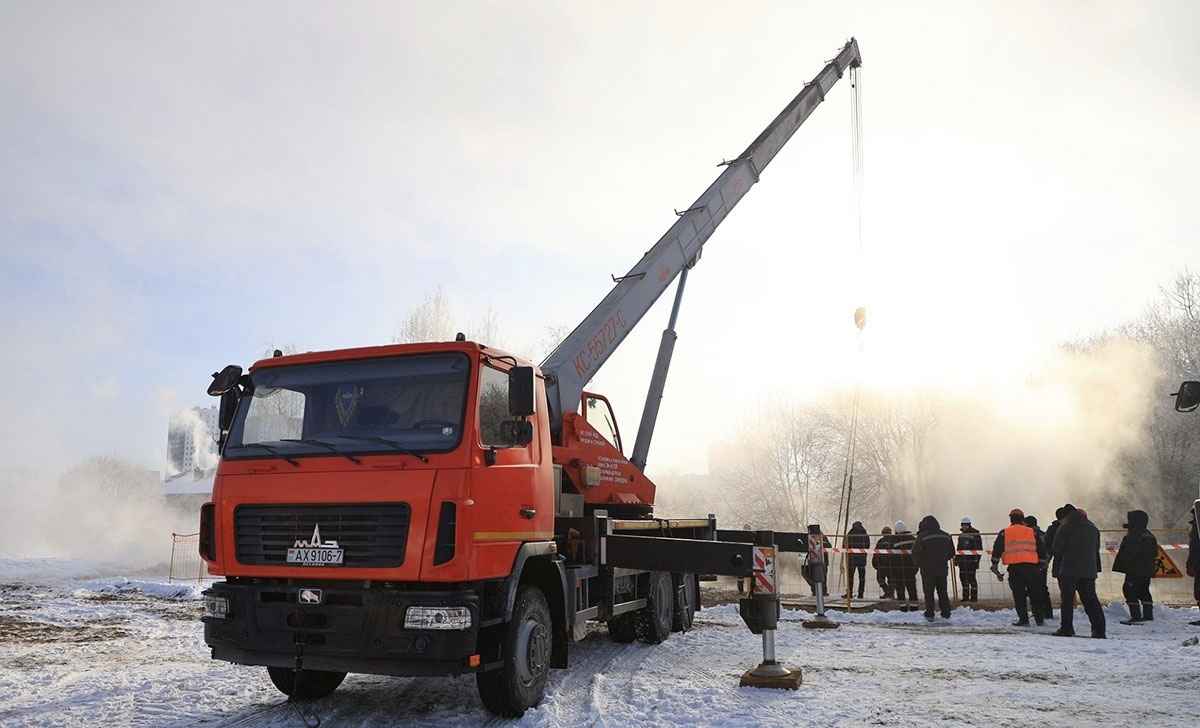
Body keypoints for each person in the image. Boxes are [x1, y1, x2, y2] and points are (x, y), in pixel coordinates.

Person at [1051, 505, 1106, 638]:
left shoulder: (1065, 527)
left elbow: (1057, 548)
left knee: (1067, 601)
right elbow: (1096, 549)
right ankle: (1099, 630)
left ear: (1065, 516)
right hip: (1088, 570)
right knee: (1091, 600)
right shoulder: (1093, 528)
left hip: (1069, 570)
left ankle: (1067, 628)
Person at [991, 508, 1047, 626]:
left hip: (1015, 569)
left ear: (1011, 519)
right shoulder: (1032, 532)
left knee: (1019, 595)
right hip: (1033, 568)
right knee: (1035, 594)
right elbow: (1041, 549)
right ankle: (1039, 619)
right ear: (1022, 519)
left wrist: (995, 565)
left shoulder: (1005, 532)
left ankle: (1024, 619)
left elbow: (997, 549)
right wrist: (1042, 564)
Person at [1113, 509, 1158, 624]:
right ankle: (1148, 615)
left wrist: (1123, 563)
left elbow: (1129, 553)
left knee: (1129, 590)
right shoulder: (1148, 535)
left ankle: (1136, 616)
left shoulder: (1134, 535)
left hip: (1134, 569)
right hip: (1146, 569)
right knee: (1144, 590)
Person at [912, 515, 955, 620]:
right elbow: (951, 553)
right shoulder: (946, 536)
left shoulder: (922, 536)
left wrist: (919, 564)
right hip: (942, 569)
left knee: (928, 592)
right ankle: (946, 612)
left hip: (927, 570)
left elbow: (915, 552)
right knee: (942, 591)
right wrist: (943, 559)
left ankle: (930, 613)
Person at [1024, 514, 1054, 620]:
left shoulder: (1032, 534)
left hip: (1034, 565)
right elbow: (1050, 550)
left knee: (1034, 589)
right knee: (1042, 588)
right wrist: (1046, 562)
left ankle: (1039, 613)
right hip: (1042, 564)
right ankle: (1047, 613)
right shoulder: (1043, 534)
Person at [891, 521, 919, 611]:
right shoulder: (912, 538)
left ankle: (902, 608)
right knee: (912, 588)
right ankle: (914, 607)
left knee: (900, 588)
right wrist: (916, 567)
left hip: (898, 569)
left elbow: (891, 555)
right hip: (911, 568)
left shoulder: (895, 540)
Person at [955, 517, 982, 603]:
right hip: (962, 561)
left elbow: (979, 548)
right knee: (963, 578)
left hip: (971, 561)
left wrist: (977, 560)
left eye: (965, 525)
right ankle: (965, 597)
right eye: (963, 525)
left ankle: (974, 598)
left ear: (969, 525)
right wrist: (957, 559)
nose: (964, 526)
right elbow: (959, 548)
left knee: (971, 578)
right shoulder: (961, 535)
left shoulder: (975, 534)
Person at [844, 521, 870, 599]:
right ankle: (861, 594)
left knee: (850, 577)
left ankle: (849, 593)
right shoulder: (865, 534)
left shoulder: (850, 534)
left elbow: (845, 545)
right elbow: (867, 546)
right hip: (862, 559)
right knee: (862, 578)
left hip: (852, 559)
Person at [873, 526, 894, 599]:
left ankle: (887, 592)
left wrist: (875, 563)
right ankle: (889, 593)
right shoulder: (894, 540)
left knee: (880, 579)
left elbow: (875, 553)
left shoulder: (880, 541)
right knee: (891, 580)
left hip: (882, 564)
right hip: (891, 564)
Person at [1187, 510, 1200, 626]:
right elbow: (1193, 547)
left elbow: (1195, 546)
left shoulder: (1197, 528)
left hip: (1198, 561)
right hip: (1197, 562)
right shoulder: (1196, 527)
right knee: (1198, 592)